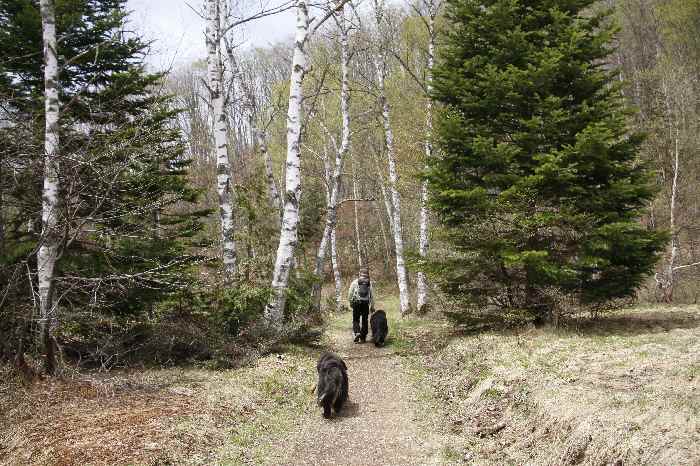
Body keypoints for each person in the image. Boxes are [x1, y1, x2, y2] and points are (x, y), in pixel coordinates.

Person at [348, 267, 374, 343]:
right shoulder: (369, 283)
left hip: (356, 302)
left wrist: (350, 302)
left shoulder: (355, 282)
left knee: (356, 319)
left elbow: (350, 293)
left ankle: (357, 332)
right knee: (365, 320)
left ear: (360, 274)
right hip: (365, 303)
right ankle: (363, 337)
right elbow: (372, 295)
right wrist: (372, 305)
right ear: (367, 274)